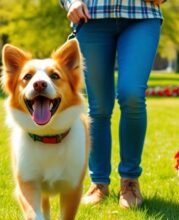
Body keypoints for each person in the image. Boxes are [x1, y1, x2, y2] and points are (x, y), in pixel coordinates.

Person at [60, 0, 165, 208]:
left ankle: (130, 181)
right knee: (98, 107)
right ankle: (98, 182)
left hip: (141, 15)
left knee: (132, 95)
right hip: (92, 16)